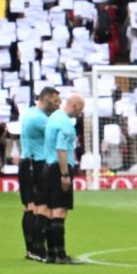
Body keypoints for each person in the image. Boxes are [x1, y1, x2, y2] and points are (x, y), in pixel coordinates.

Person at [17, 86, 57, 263]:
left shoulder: (30, 113)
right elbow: (55, 136)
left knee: (30, 207)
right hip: (36, 164)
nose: (57, 105)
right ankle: (39, 250)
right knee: (40, 208)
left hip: (27, 162)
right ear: (46, 98)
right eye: (55, 101)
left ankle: (31, 249)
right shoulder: (39, 119)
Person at [46, 93, 87, 264]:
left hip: (49, 166)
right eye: (81, 109)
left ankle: (51, 254)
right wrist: (64, 174)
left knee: (51, 211)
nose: (80, 113)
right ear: (75, 106)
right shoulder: (65, 124)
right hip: (59, 167)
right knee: (60, 211)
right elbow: (61, 149)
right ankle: (61, 255)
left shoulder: (54, 116)